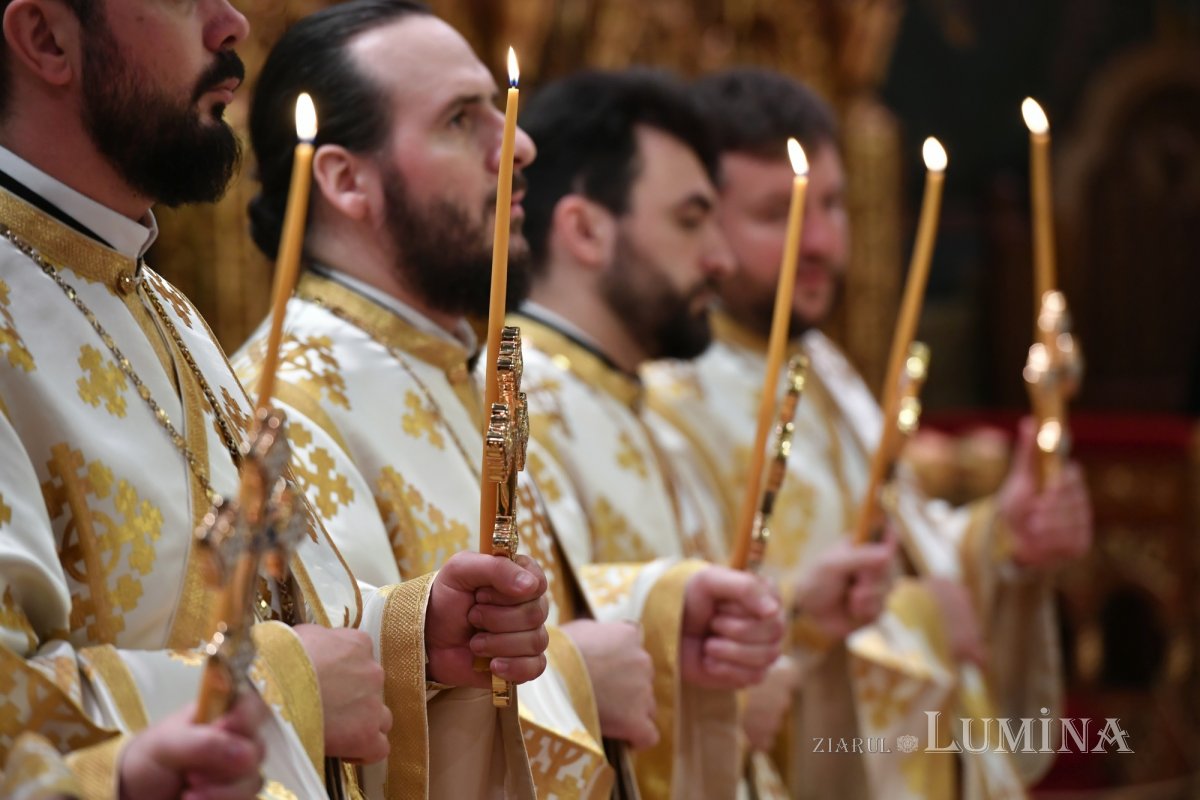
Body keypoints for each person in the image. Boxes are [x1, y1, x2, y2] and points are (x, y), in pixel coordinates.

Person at [234, 6, 787, 798]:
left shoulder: (465, 366)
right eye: (464, 120)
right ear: (346, 180)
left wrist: (667, 616)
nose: (520, 145)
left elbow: (538, 609)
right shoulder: (288, 401)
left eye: (500, 110)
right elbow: (334, 713)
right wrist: (575, 682)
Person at [0, 0, 550, 794]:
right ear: (48, 37)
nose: (232, 25)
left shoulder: (160, 304)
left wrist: (415, 634)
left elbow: (265, 609)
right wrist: (287, 686)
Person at [644, 67, 1094, 798]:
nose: (819, 240)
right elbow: (690, 637)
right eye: (778, 213)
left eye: (832, 204)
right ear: (703, 224)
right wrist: (920, 612)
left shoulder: (817, 360)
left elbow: (900, 546)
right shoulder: (671, 396)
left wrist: (1003, 539)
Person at [513, 67, 891, 797]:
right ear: (586, 228)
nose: (718, 260)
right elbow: (510, 668)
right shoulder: (512, 401)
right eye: (692, 222)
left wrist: (796, 623)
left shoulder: (639, 410)